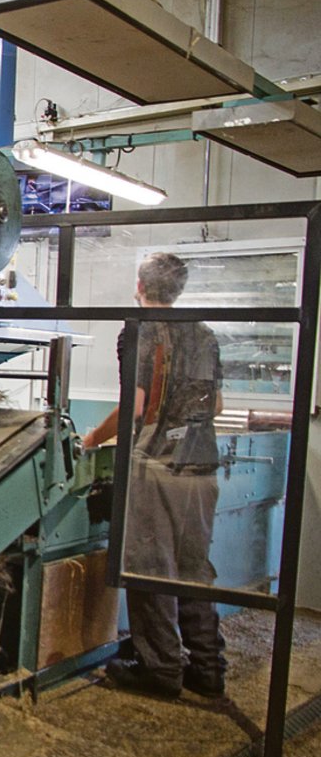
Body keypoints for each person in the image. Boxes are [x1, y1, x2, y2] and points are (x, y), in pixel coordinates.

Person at [83, 252, 226, 698]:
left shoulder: (138, 330)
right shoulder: (204, 334)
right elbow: (215, 406)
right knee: (193, 570)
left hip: (157, 466)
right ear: (179, 290)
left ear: (139, 287)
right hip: (201, 468)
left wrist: (91, 440)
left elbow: (137, 408)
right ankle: (207, 669)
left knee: (149, 569)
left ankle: (161, 669)